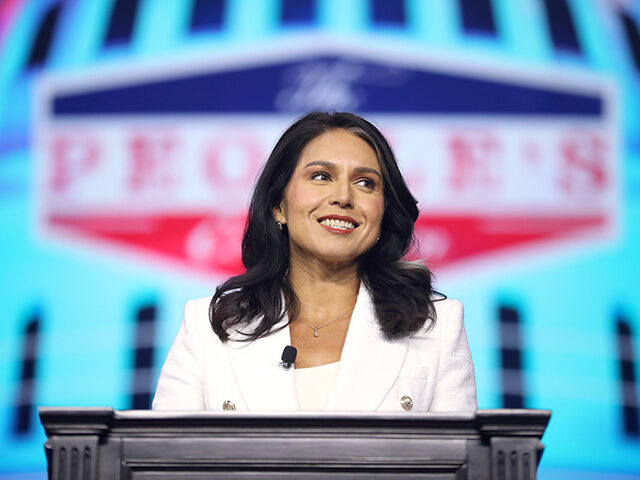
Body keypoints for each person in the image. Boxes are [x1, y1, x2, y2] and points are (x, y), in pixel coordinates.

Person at [152, 111, 476, 412]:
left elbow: (467, 467)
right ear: (279, 206)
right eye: (321, 176)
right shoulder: (207, 328)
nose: (344, 197)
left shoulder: (437, 328)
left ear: (384, 212)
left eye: (366, 183)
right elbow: (161, 462)